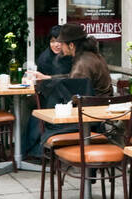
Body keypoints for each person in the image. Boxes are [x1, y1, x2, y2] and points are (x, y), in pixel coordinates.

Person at [23, 24, 114, 158]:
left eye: (62, 43)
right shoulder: (88, 56)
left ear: (71, 45)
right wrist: (48, 78)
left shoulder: (82, 63)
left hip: (91, 114)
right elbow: (72, 79)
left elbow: (74, 91)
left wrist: (44, 86)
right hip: (94, 107)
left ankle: (36, 152)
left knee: (43, 116)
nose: (59, 47)